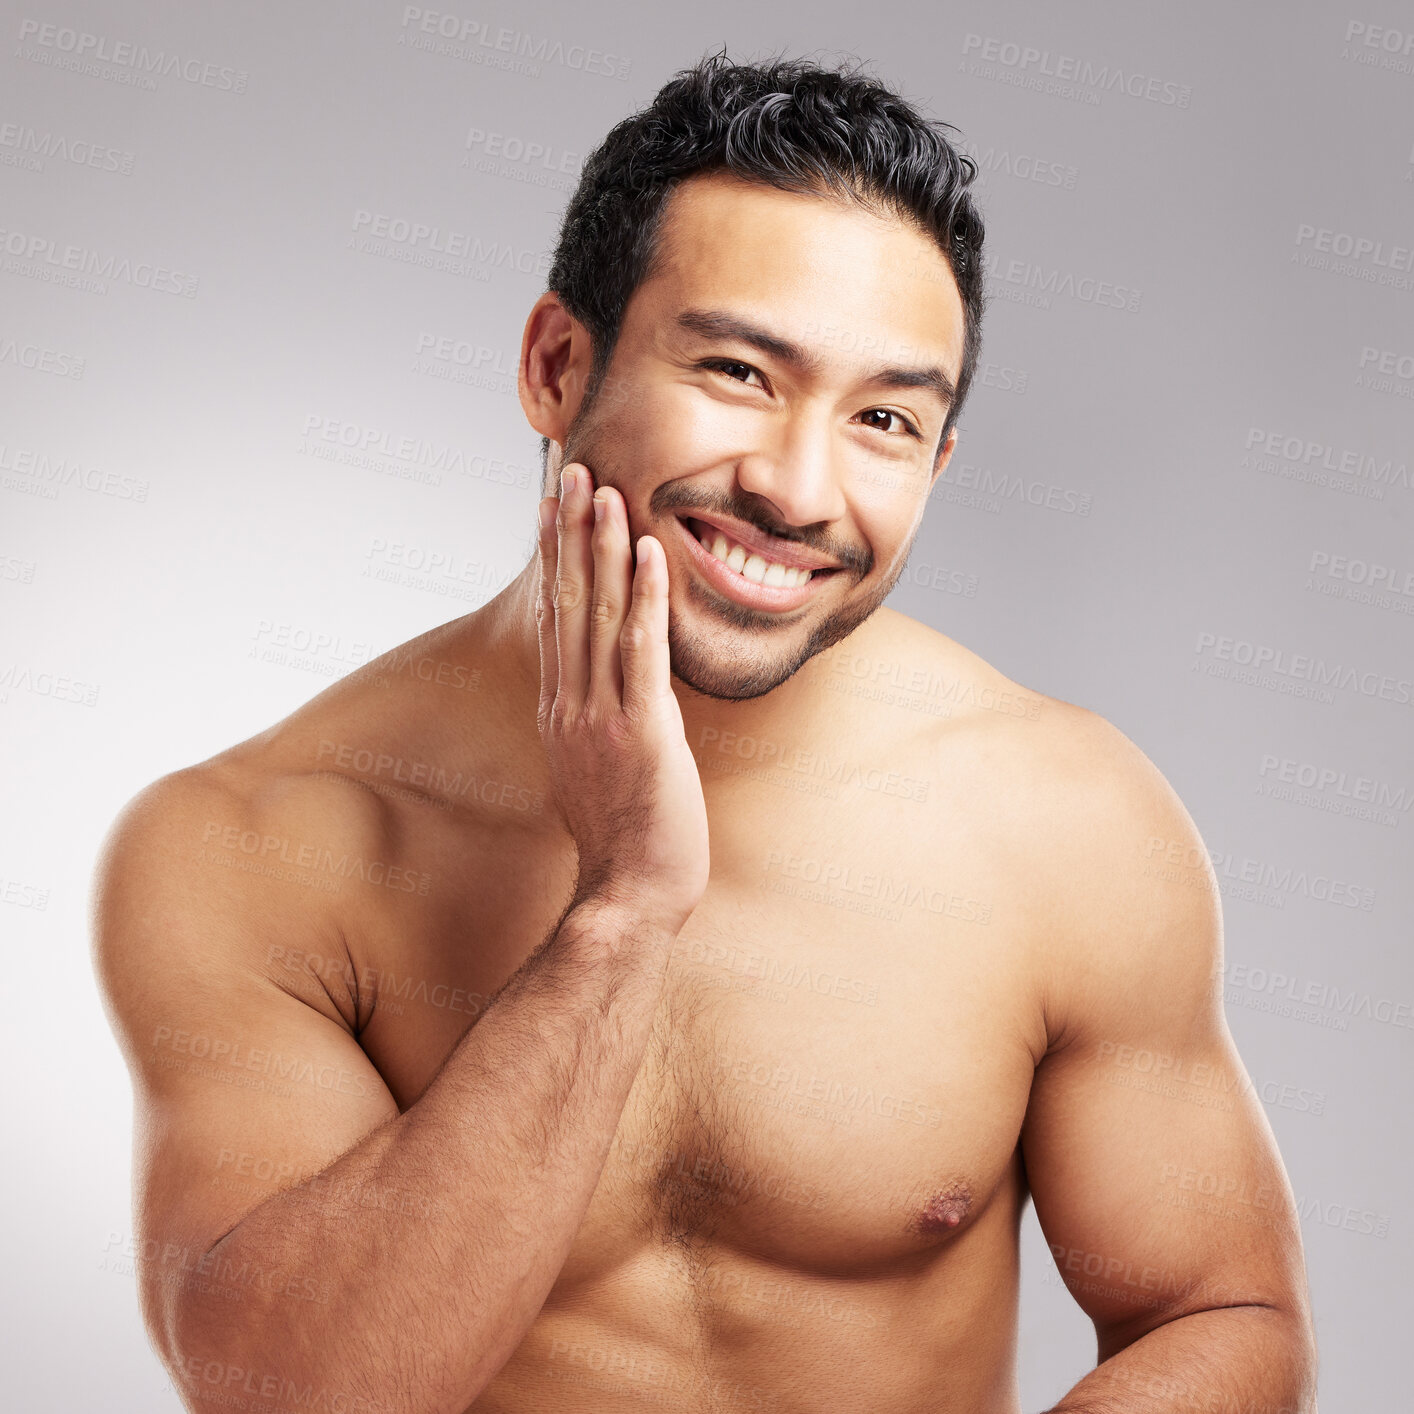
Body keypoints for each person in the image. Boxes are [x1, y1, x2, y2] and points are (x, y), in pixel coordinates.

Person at [91, 51, 1318, 1414]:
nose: (799, 488)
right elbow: (295, 1393)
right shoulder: (254, 843)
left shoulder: (1063, 819)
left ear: (938, 465)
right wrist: (620, 908)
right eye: (738, 369)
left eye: (883, 420)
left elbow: (1223, 1314)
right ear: (558, 363)